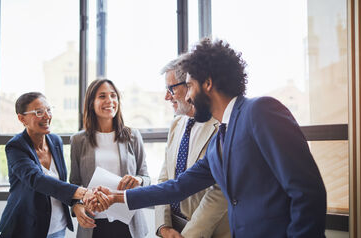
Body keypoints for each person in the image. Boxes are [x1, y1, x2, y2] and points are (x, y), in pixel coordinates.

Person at [94, 38, 327, 238]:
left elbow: (307, 192)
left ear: (207, 83)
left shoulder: (260, 111)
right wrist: (117, 197)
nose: (189, 96)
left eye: (190, 86)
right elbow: (177, 187)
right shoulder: (219, 142)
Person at [0, 92, 91, 238]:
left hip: (57, 226)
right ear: (22, 118)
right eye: (39, 112)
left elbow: (59, 182)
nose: (47, 116)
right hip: (26, 228)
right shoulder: (16, 147)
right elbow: (36, 180)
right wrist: (82, 192)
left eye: (48, 110)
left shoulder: (55, 141)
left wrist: (76, 203)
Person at [155, 56, 230, 238]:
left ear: (190, 85)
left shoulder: (220, 126)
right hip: (173, 226)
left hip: (207, 232)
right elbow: (165, 179)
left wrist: (189, 235)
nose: (167, 96)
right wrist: (163, 226)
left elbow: (219, 193)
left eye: (171, 89)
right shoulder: (176, 124)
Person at [70, 79, 150, 238]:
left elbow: (146, 177)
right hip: (93, 223)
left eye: (113, 96)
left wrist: (138, 180)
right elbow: (74, 183)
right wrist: (76, 206)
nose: (110, 101)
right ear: (91, 102)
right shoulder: (78, 140)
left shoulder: (132, 136)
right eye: (102, 96)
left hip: (129, 222)